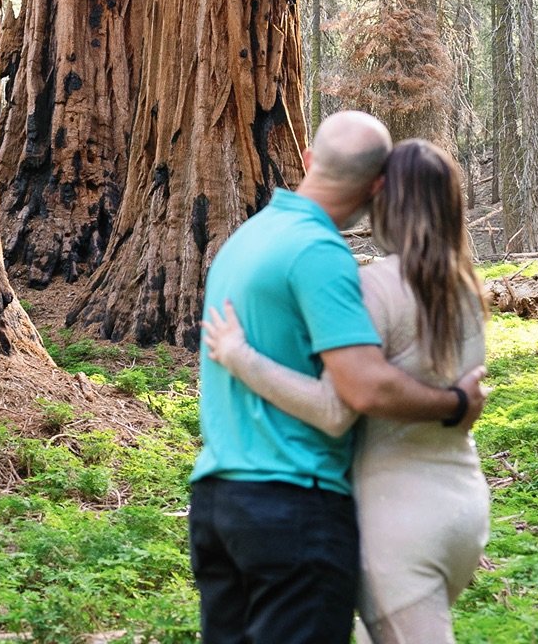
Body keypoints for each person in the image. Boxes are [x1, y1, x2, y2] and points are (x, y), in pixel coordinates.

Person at [190, 112, 487, 644]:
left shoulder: (245, 240)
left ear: (307, 160)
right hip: (294, 507)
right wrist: (454, 404)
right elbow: (358, 391)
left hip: (218, 501)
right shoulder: (323, 255)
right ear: (376, 187)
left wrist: (237, 356)